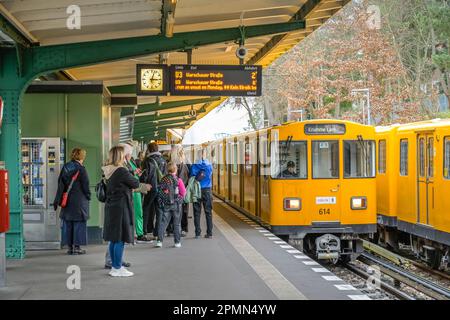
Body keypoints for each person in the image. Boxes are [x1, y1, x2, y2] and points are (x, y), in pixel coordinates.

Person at [102, 146, 151, 277]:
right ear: (120, 156)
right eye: (124, 155)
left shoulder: (108, 170)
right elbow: (135, 183)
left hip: (111, 206)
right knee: (120, 239)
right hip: (121, 208)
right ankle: (117, 268)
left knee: (113, 239)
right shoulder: (121, 171)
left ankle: (114, 266)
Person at [54, 148, 91, 255]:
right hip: (79, 200)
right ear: (82, 157)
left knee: (68, 222)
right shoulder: (81, 169)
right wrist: (88, 196)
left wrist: (60, 198)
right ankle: (77, 247)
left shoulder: (66, 167)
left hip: (67, 199)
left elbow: (60, 183)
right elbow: (86, 186)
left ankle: (70, 247)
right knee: (79, 223)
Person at [119, 142, 151, 243]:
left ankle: (138, 233)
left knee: (138, 212)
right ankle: (135, 234)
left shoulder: (129, 162)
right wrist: (134, 173)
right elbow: (126, 176)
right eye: (129, 153)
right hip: (132, 191)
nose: (130, 155)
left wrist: (136, 172)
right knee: (133, 213)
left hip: (135, 190)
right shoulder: (123, 164)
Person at [155, 162, 186, 248]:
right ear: (175, 170)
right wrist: (179, 199)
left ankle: (159, 241)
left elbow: (160, 192)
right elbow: (183, 192)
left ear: (167, 170)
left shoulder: (163, 179)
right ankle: (177, 242)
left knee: (163, 223)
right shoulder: (178, 180)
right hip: (176, 205)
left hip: (166, 204)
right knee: (177, 224)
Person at [141, 142, 167, 240]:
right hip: (160, 188)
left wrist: (142, 184)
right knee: (159, 210)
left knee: (146, 209)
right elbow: (165, 175)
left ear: (149, 149)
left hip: (150, 188)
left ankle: (145, 232)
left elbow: (144, 175)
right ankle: (157, 233)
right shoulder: (163, 160)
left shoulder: (147, 160)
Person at [190, 147, 213, 238]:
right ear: (205, 155)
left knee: (197, 212)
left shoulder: (195, 165)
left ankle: (197, 233)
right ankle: (209, 233)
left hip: (197, 190)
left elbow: (192, 176)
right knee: (208, 212)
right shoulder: (209, 165)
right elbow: (210, 174)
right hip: (207, 190)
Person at [169, 144, 190, 236]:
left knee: (171, 210)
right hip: (182, 190)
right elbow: (187, 176)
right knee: (182, 210)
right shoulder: (184, 163)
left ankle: (171, 229)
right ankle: (182, 228)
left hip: (171, 191)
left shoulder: (169, 163)